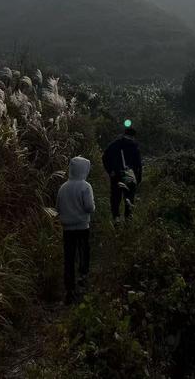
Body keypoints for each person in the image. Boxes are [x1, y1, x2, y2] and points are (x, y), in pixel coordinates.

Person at [55, 156, 95, 304]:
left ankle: (69, 289)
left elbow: (57, 207)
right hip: (82, 226)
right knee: (84, 252)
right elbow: (89, 207)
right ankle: (83, 277)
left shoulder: (63, 187)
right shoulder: (85, 186)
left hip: (67, 229)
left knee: (69, 257)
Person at [102, 123, 142, 222]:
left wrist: (110, 170)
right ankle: (128, 221)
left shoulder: (115, 144)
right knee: (129, 199)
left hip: (116, 175)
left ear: (124, 134)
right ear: (133, 136)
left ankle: (116, 219)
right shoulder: (134, 146)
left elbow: (104, 157)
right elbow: (138, 164)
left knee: (115, 198)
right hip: (130, 175)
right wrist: (138, 177)